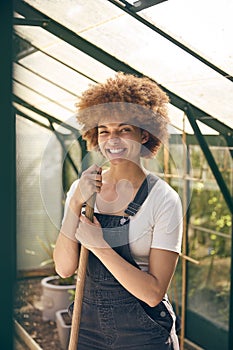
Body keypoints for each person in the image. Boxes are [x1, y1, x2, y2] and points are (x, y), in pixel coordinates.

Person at [53, 72, 183, 349]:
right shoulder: (83, 189)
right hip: (87, 331)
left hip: (144, 335)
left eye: (124, 129)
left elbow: (153, 293)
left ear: (144, 134)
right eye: (104, 131)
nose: (113, 139)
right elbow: (64, 268)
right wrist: (76, 201)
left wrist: (100, 245)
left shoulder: (164, 199)